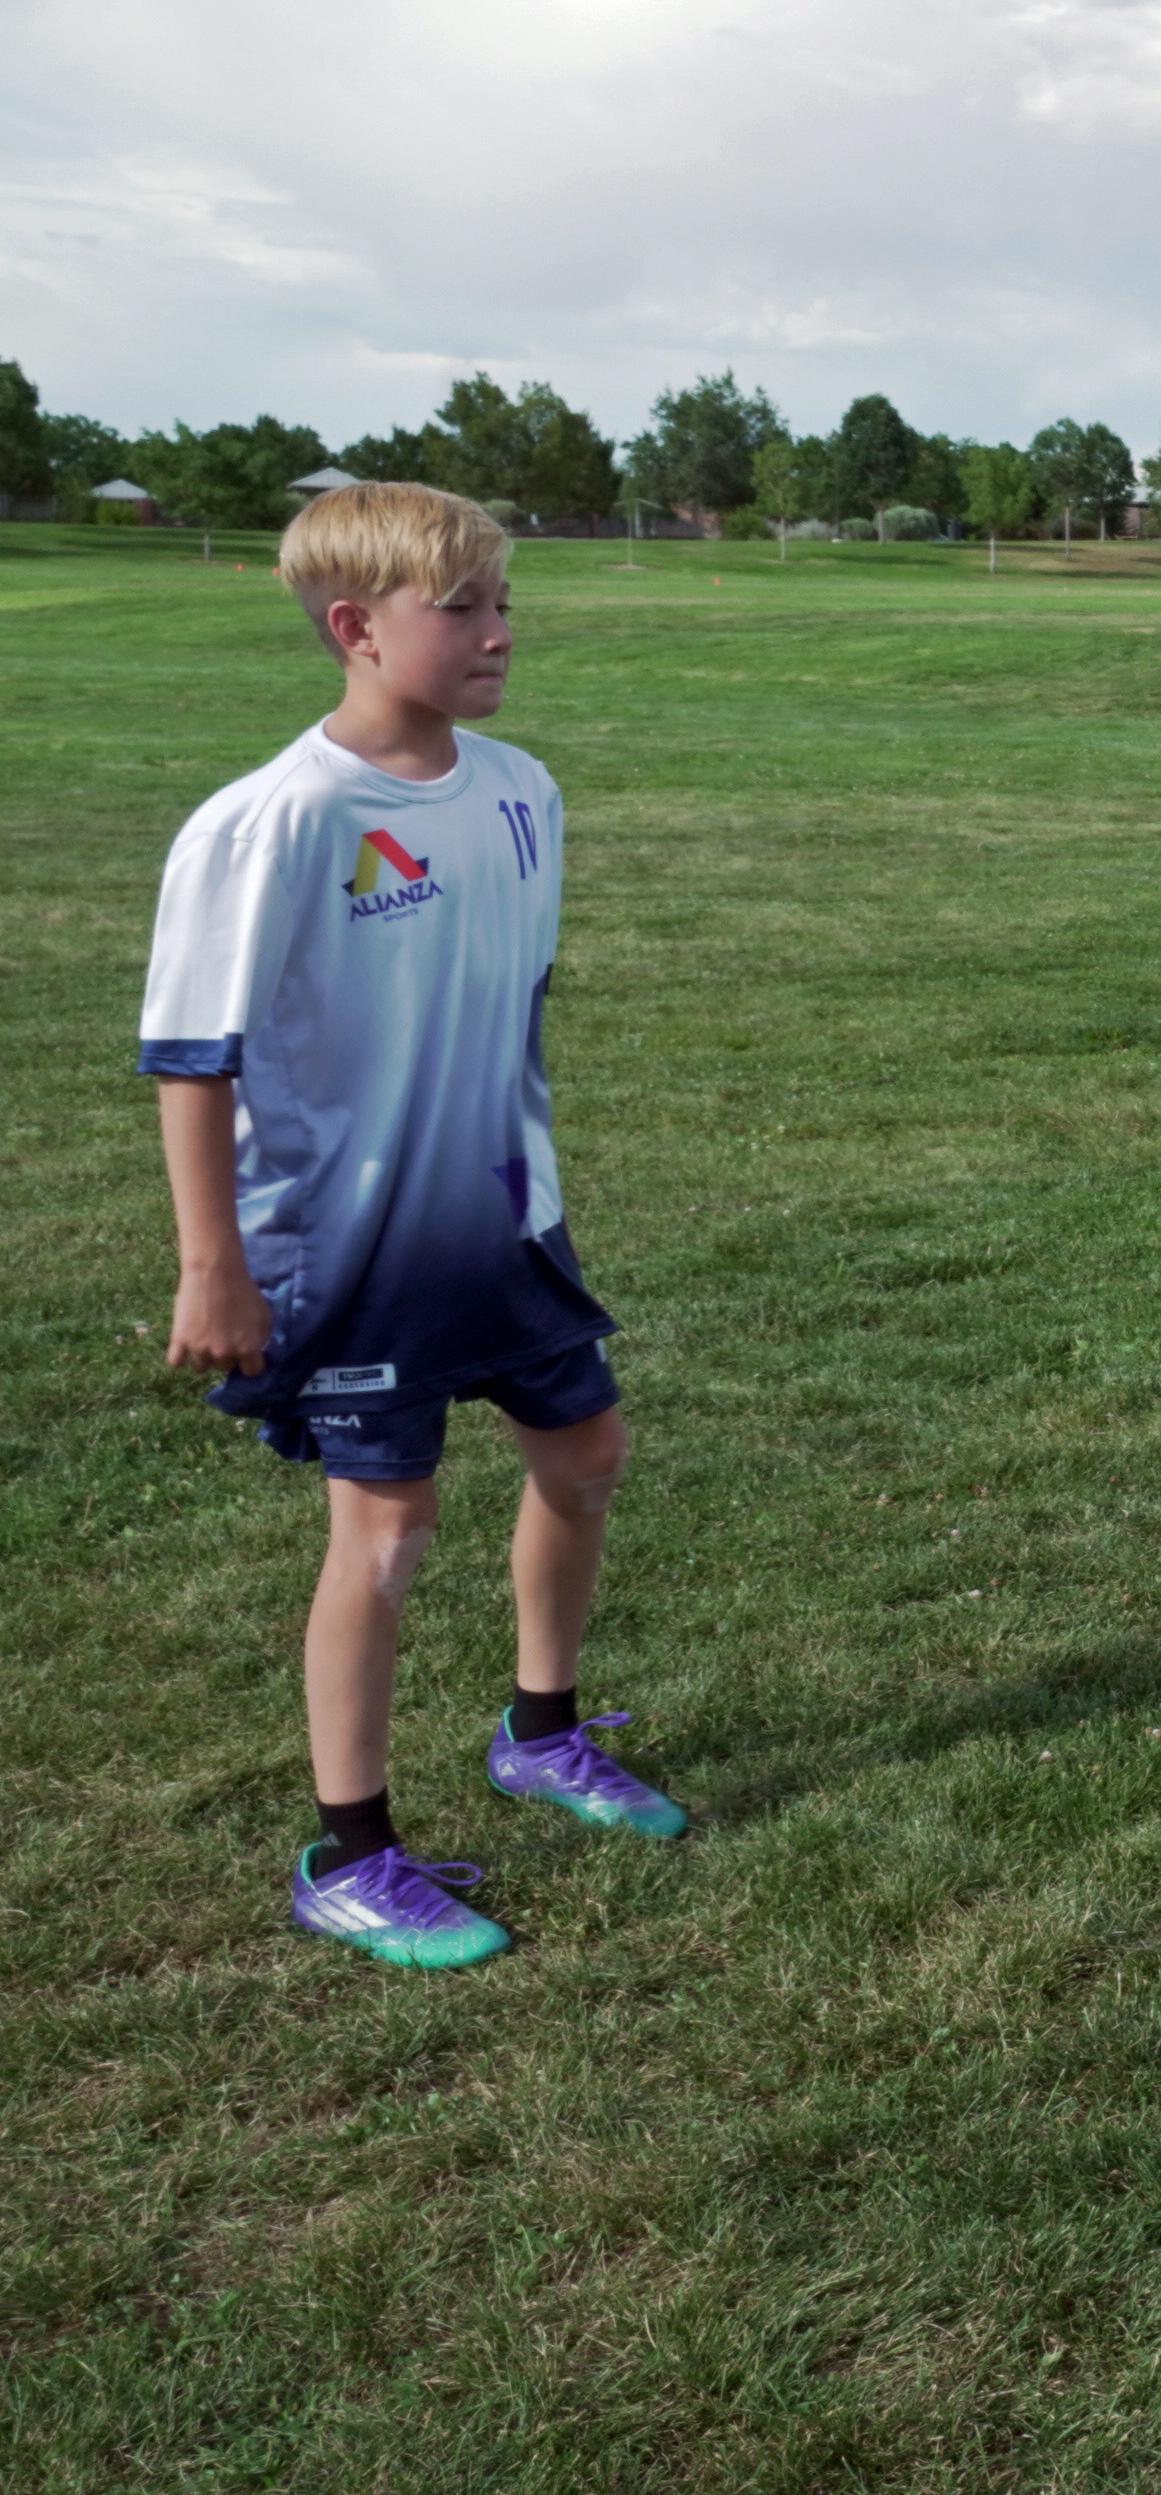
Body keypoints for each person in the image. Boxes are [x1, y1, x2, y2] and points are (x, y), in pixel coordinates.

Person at [144, 483, 683, 1973]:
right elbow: (196, 1057)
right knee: (385, 1535)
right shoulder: (272, 823)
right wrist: (215, 1265)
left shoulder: (523, 790)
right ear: (354, 627)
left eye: (505, 605)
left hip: (503, 1221)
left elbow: (514, 1009)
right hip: (345, 1244)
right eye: (464, 611)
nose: (500, 634)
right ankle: (351, 1853)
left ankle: (542, 1733)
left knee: (584, 1457)